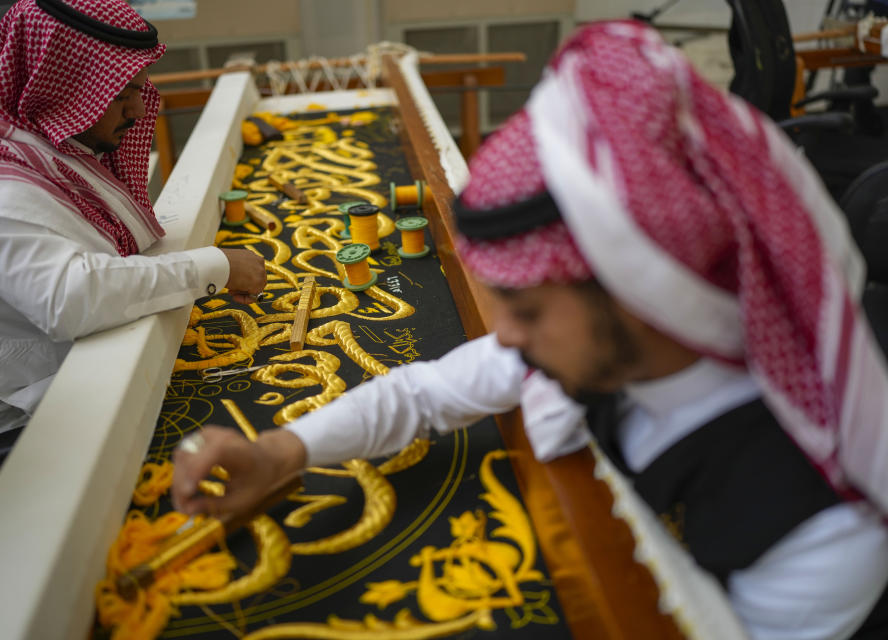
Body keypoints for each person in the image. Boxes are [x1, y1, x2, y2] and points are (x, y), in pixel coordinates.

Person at [172, 22, 888, 639]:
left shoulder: (825, 533)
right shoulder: (597, 345)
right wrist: (281, 450)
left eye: (529, 309)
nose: (504, 336)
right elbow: (426, 393)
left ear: (640, 291)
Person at [0, 0, 266, 457]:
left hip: (94, 373)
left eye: (138, 89)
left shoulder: (52, 149)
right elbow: (73, 298)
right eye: (120, 91)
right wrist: (217, 266)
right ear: (63, 86)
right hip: (30, 428)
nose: (135, 110)